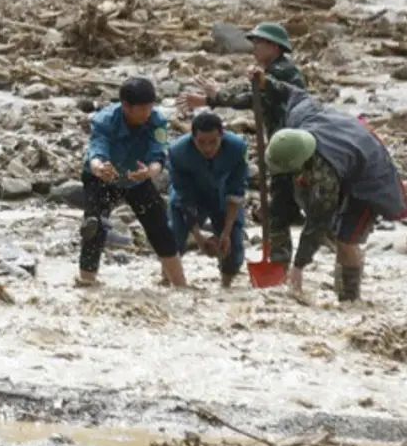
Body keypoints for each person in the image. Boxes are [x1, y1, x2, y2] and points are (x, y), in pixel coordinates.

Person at [264, 83, 407, 303]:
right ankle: (345, 283)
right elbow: (294, 91)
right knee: (330, 226)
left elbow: (317, 220)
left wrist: (299, 266)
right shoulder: (300, 115)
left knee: (346, 238)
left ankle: (350, 299)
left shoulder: (324, 177)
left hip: (370, 179)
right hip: (349, 150)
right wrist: (266, 80)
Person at [180, 22, 307, 267]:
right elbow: (250, 95)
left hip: (291, 151)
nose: (254, 49)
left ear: (273, 47)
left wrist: (212, 98)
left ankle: (281, 263)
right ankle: (296, 257)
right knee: (287, 206)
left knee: (281, 208)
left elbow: (250, 95)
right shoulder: (272, 71)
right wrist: (216, 96)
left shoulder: (282, 71)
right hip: (286, 148)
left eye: (258, 44)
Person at [77, 77, 182, 288]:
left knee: (159, 226)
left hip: (138, 178)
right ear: (126, 106)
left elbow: (158, 153)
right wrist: (99, 167)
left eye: (150, 107)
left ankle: (179, 283)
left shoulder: (156, 121)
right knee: (94, 225)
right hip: (104, 177)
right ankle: (86, 283)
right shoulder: (105, 120)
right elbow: (97, 149)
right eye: (141, 109)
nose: (147, 113)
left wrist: (150, 172)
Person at [167, 112, 248, 289]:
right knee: (174, 240)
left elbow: (236, 192)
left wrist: (225, 233)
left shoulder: (237, 148)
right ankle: (167, 282)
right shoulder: (178, 152)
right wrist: (197, 235)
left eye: (213, 142)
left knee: (233, 246)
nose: (208, 148)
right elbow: (184, 197)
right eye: (201, 142)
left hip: (222, 196)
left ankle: (226, 287)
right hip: (190, 197)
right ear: (192, 137)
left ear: (222, 136)